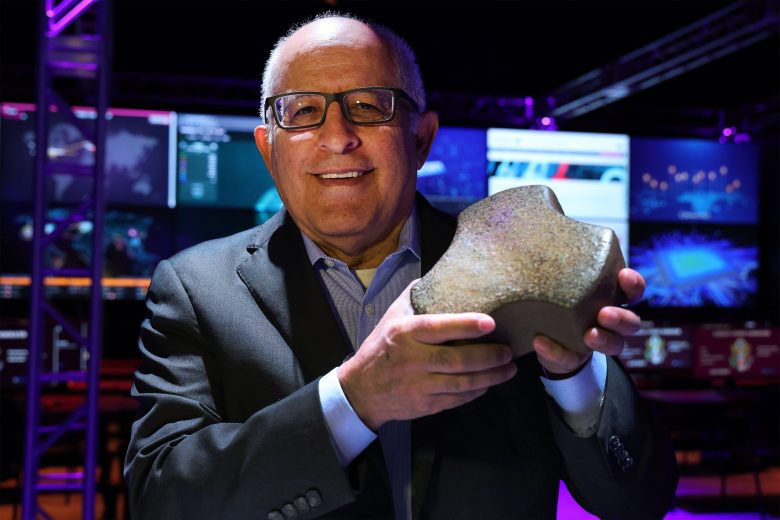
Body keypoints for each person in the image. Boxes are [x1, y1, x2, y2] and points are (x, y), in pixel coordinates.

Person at [124, 13, 678, 520]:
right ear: (269, 149)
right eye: (301, 111)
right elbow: (163, 499)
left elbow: (640, 501)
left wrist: (575, 369)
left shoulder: (518, 259)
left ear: (421, 138)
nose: (337, 137)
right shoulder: (195, 288)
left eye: (369, 105)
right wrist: (355, 397)